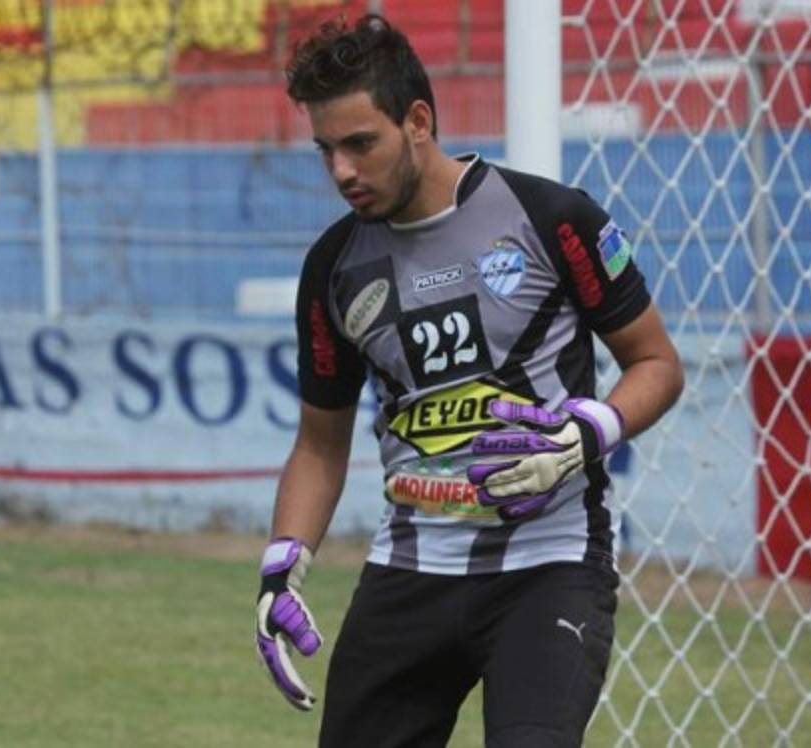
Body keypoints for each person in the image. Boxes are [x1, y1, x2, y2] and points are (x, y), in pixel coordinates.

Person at [254, 14, 684, 747]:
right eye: (326, 150)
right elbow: (319, 445)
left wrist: (584, 436)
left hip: (549, 564)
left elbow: (658, 365)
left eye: (361, 144)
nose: (342, 172)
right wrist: (281, 566)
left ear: (418, 121)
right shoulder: (332, 268)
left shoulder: (552, 219)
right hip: (408, 571)